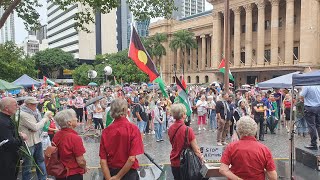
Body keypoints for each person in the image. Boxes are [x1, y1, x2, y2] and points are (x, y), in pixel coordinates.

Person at [99, 99, 144, 180]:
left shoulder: (106, 131)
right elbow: (131, 158)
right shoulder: (133, 129)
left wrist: (109, 178)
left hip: (111, 172)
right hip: (128, 173)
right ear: (125, 110)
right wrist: (118, 177)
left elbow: (103, 161)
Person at [168, 103, 203, 180]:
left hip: (174, 161)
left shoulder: (170, 128)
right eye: (185, 113)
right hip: (186, 163)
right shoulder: (188, 130)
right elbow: (196, 149)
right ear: (183, 115)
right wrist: (202, 159)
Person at [53, 109, 87, 180]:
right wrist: (84, 167)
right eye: (75, 117)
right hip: (73, 173)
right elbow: (80, 161)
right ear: (69, 122)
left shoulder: (57, 134)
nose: (77, 118)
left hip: (60, 172)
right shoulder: (74, 138)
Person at [19, 97, 48, 180]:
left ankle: (43, 178)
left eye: (36, 103)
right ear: (27, 105)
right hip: (28, 142)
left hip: (37, 139)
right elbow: (35, 127)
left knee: (40, 161)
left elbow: (36, 127)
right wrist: (44, 119)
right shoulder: (23, 114)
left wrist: (37, 126)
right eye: (33, 104)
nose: (35, 105)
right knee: (27, 165)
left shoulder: (35, 111)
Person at [0, 97, 27, 180]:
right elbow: (8, 143)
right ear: (6, 108)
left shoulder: (5, 119)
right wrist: (22, 138)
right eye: (15, 105)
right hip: (6, 160)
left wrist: (15, 134)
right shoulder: (3, 121)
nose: (17, 107)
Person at [300, 85, 320, 150]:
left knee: (311, 126)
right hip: (318, 107)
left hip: (310, 107)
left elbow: (301, 96)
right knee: (318, 125)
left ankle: (313, 143)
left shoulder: (307, 86)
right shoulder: (318, 85)